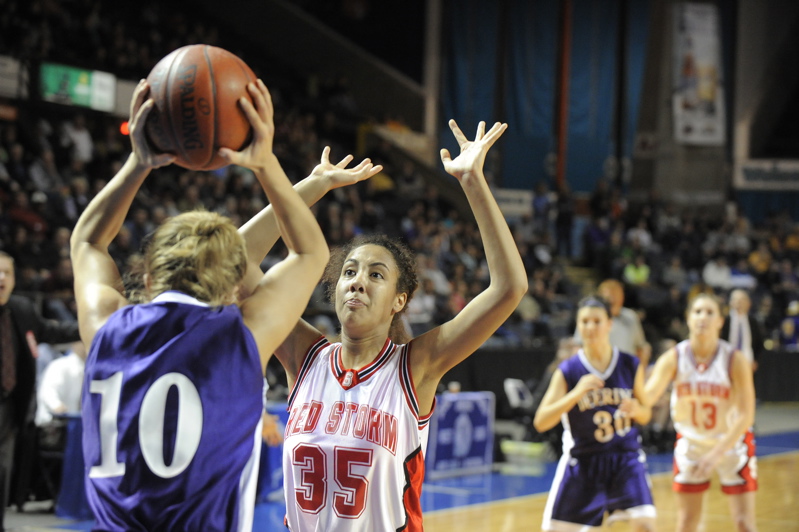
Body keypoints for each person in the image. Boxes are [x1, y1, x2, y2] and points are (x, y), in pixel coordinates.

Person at [71, 79, 331, 531]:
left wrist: (138, 161)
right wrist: (265, 162)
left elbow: (89, 241)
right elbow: (310, 253)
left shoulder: (106, 326)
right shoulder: (243, 335)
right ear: (234, 287)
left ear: (148, 276)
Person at [257, 120, 526, 531]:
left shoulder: (415, 366)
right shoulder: (305, 356)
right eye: (349, 272)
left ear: (399, 302)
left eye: (376, 275)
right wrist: (310, 187)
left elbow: (509, 288)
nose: (358, 281)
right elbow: (235, 273)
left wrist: (473, 182)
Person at [534, 296, 656, 532]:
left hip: (625, 459)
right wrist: (575, 394)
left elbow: (646, 414)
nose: (590, 327)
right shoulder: (568, 370)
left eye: (596, 321)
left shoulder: (630, 364)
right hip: (584, 462)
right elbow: (541, 421)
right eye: (584, 322)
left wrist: (637, 409)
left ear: (609, 324)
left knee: (645, 525)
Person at [644, 293, 757, 532]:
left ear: (720, 321)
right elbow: (646, 398)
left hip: (731, 443)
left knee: (744, 523)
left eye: (709, 312)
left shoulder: (734, 360)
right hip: (692, 444)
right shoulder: (673, 357)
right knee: (686, 524)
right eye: (697, 312)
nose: (702, 318)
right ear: (687, 318)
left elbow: (747, 416)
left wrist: (715, 454)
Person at [0, 250, 80, 514]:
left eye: (7, 272)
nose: (2, 277)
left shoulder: (21, 309)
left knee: (3, 470)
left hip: (11, 405)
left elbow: (50, 331)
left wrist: (89, 326)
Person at [574, 279, 651, 363]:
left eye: (617, 295)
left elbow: (641, 347)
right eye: (610, 296)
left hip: (625, 368)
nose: (613, 299)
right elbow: (578, 345)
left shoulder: (630, 316)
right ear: (601, 297)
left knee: (646, 349)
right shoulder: (590, 316)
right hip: (597, 365)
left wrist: (639, 370)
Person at [35, 341, 86, 427]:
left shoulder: (88, 368)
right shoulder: (60, 365)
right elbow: (48, 393)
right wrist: (57, 406)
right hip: (52, 426)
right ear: (74, 344)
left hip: (72, 424)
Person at [721, 289, 763, 371]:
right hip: (727, 362)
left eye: (742, 300)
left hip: (748, 362)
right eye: (735, 300)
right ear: (730, 302)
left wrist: (756, 361)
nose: (739, 303)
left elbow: (759, 344)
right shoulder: (724, 321)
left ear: (749, 303)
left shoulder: (753, 322)